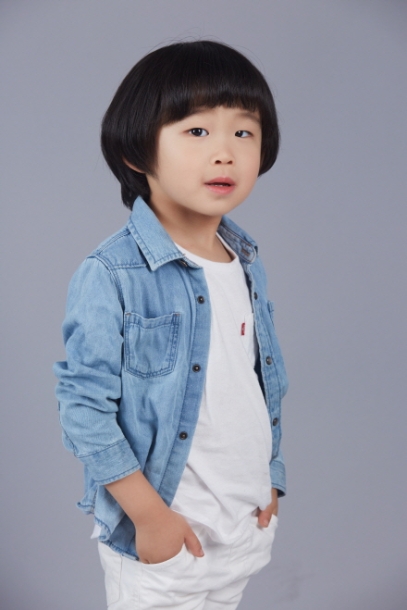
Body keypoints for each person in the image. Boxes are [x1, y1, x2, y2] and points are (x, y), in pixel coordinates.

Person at [54, 39, 289, 610]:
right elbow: (83, 406)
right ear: (137, 152)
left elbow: (260, 382)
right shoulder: (112, 272)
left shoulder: (246, 262)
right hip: (166, 532)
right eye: (198, 131)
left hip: (242, 526)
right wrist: (149, 517)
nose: (226, 152)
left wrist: (271, 477)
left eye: (244, 131)